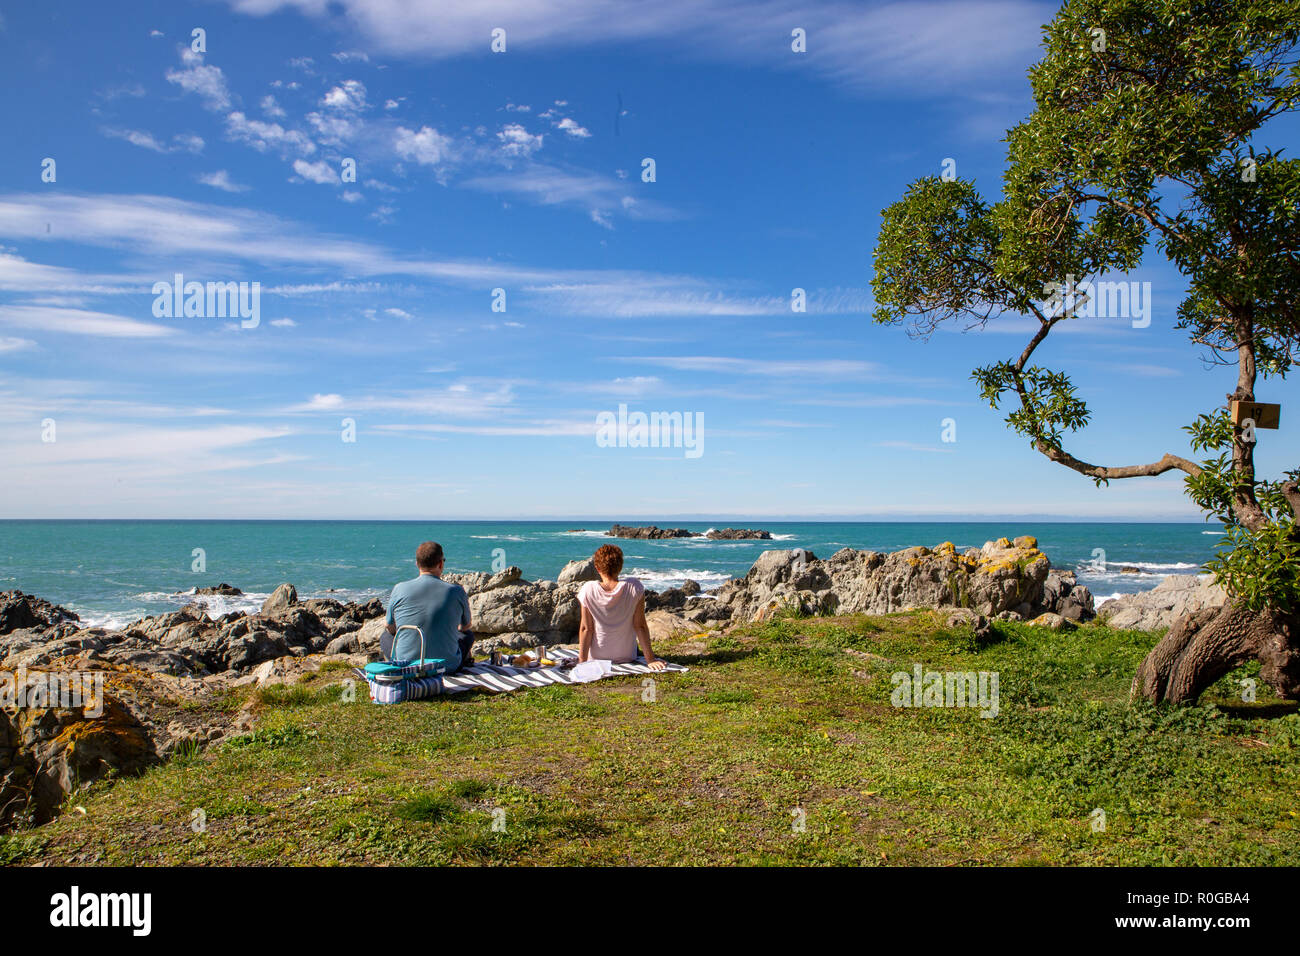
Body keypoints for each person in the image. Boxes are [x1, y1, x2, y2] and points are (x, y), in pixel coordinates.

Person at [382, 541, 475, 671]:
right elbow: (465, 626)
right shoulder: (457, 591)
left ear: (417, 564)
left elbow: (389, 626)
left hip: (407, 666)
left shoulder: (399, 588)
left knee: (385, 636)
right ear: (441, 563)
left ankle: (395, 666)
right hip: (447, 667)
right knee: (468, 635)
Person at [576, 544, 666, 670]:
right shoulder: (634, 586)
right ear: (620, 567)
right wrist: (650, 659)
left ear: (597, 568)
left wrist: (581, 661)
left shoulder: (588, 589)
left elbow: (586, 629)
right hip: (627, 656)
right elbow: (639, 626)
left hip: (597, 656)